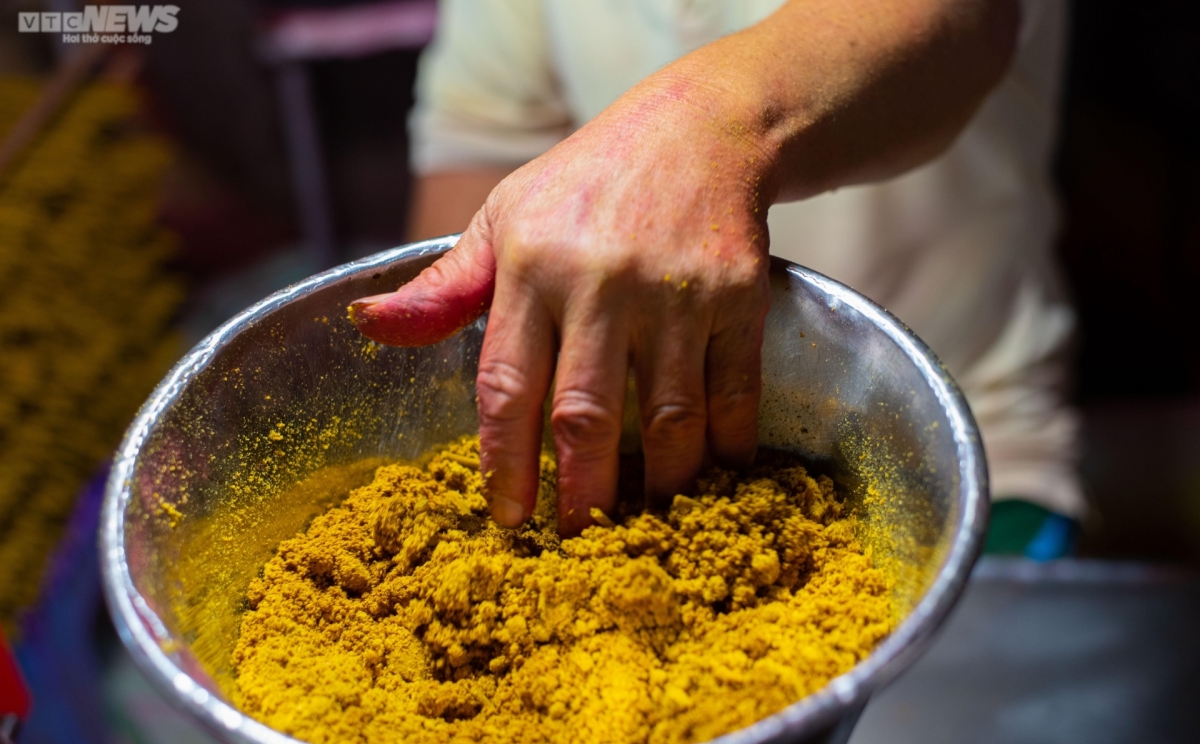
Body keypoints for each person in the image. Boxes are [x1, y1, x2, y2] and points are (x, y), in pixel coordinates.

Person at [350, 0, 1083, 546]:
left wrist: (705, 126)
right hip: (609, 455)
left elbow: (964, 24)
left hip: (953, 464)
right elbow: (479, 148)